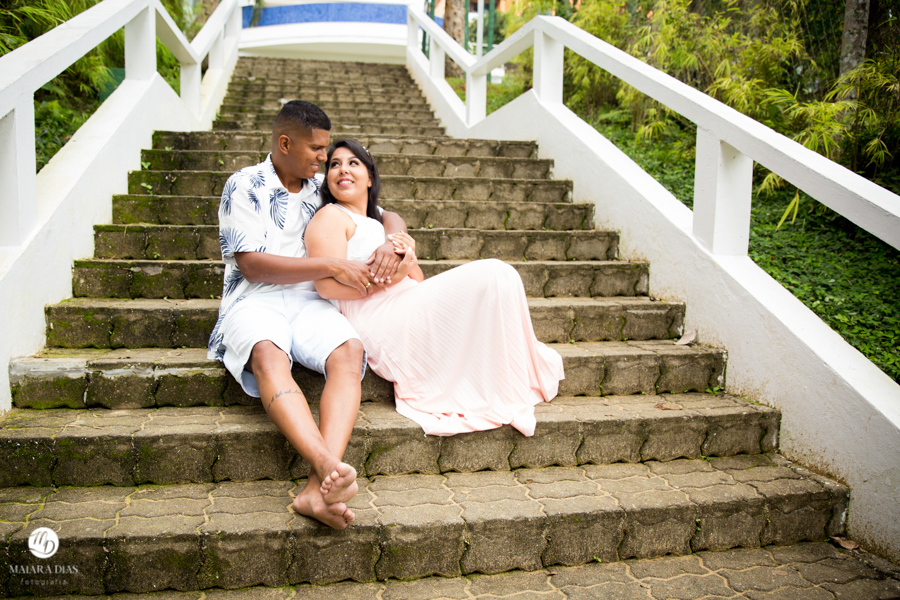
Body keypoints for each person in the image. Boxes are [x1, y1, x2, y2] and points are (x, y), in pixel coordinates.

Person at [207, 102, 410, 530]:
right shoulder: (244, 185)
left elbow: (381, 209)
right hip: (254, 298)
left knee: (349, 351)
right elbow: (253, 265)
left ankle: (316, 491)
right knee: (268, 355)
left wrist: (394, 239)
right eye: (317, 149)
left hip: (309, 302)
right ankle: (326, 465)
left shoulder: (321, 186)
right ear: (285, 143)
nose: (324, 158)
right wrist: (332, 266)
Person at [305, 139, 565, 437]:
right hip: (374, 315)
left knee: (501, 276)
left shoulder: (379, 220)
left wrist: (408, 259)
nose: (342, 170)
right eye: (334, 164)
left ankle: (496, 374)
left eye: (353, 163)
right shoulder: (331, 217)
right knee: (494, 273)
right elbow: (325, 287)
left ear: (370, 177)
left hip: (407, 300)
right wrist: (393, 276)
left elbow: (415, 276)